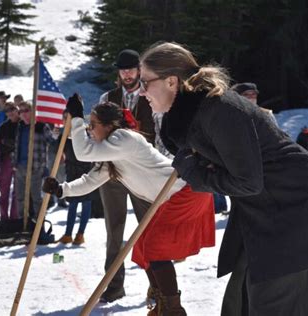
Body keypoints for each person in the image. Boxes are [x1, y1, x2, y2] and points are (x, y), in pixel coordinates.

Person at [139, 42, 308, 316]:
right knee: (241, 300)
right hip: (269, 212)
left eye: (146, 82)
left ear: (171, 81)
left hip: (302, 207)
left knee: (279, 301)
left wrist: (194, 171)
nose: (141, 91)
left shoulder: (219, 110)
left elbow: (247, 181)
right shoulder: (196, 114)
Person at [43, 98, 215, 314]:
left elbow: (83, 152)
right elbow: (90, 181)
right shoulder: (111, 154)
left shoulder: (124, 138)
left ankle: (173, 310)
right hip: (172, 198)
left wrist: (76, 118)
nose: (90, 130)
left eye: (93, 125)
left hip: (186, 191)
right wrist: (61, 189)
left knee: (154, 247)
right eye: (88, 125)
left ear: (109, 125)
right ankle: (162, 302)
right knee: (143, 247)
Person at [95, 48, 157, 303]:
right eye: (123, 70)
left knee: (149, 230)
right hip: (113, 174)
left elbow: (160, 133)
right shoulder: (107, 97)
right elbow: (97, 133)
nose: (127, 74)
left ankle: (157, 285)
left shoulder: (151, 95)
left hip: (142, 174)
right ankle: (113, 286)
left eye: (131, 69)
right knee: (114, 232)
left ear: (139, 70)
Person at [13, 101, 54, 233]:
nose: (23, 114)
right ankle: (23, 224)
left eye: (26, 111)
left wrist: (57, 133)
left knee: (36, 198)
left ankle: (39, 226)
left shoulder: (41, 126)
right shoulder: (20, 126)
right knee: (20, 197)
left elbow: (52, 142)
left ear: (32, 111)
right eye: (21, 111)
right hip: (20, 167)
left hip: (36, 167)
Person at [57, 111, 94, 245]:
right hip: (71, 170)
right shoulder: (64, 135)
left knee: (86, 202)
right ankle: (68, 234)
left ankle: (80, 234)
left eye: (68, 118)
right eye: (64, 118)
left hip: (85, 170)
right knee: (72, 203)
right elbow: (61, 152)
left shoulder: (84, 131)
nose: (65, 120)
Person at [0, 102, 19, 220]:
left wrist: (9, 143)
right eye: (7, 111)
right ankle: (3, 218)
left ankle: (14, 217)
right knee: (4, 190)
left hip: (20, 161)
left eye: (12, 109)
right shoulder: (4, 126)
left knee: (17, 191)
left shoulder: (23, 125)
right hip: (6, 159)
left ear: (17, 109)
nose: (10, 113)